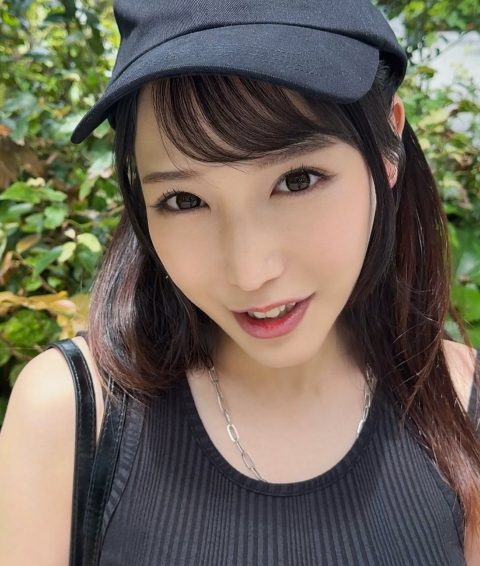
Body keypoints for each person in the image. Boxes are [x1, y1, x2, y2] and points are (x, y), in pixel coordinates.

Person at [0, 0, 479, 564]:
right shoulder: (72, 414)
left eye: (297, 180)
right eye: (184, 200)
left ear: (387, 146)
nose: (249, 272)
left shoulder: (463, 404)